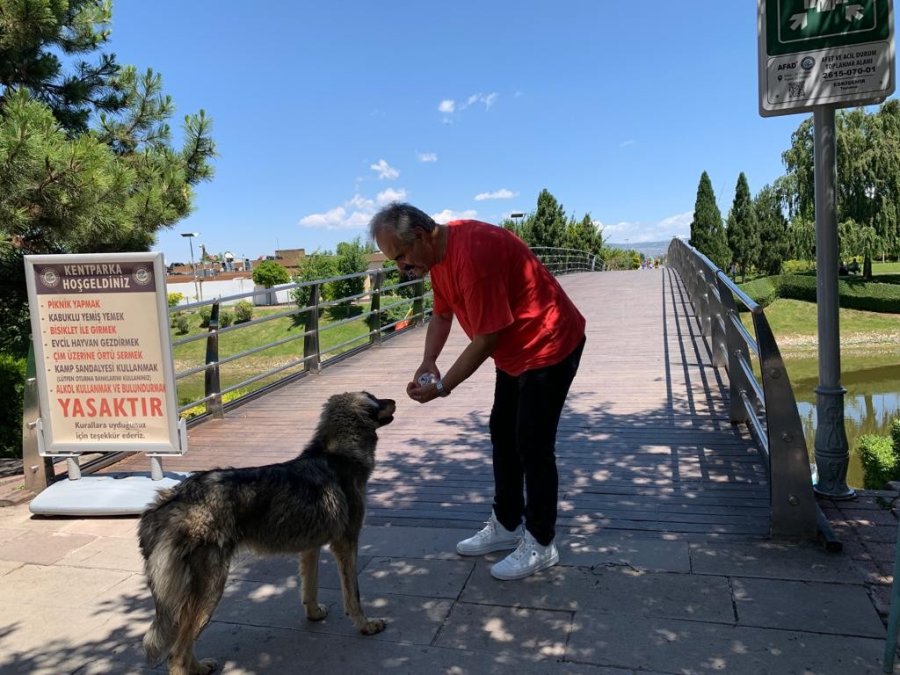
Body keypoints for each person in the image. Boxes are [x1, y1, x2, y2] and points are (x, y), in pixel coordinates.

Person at [369, 203, 586, 580]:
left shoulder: (473, 257)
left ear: (420, 236)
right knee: (503, 432)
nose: (400, 268)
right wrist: (428, 361)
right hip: (516, 353)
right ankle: (506, 523)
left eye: (401, 257)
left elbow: (486, 338)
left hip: (550, 343)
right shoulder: (438, 259)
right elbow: (441, 314)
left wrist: (443, 387)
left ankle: (541, 541)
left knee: (532, 443)